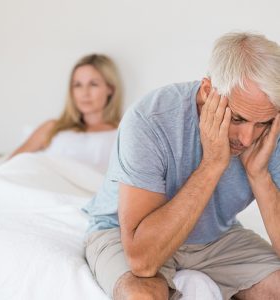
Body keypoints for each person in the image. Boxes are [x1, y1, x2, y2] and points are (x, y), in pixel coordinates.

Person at [83, 31, 280, 300]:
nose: (247, 138)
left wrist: (260, 177)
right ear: (208, 90)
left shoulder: (270, 127)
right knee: (141, 296)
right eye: (237, 118)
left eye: (262, 124)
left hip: (215, 237)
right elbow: (142, 260)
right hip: (127, 234)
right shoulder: (150, 120)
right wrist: (212, 164)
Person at [10, 54, 123, 173]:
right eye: (77, 85)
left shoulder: (122, 135)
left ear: (110, 89)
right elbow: (9, 166)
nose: (85, 93)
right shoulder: (52, 128)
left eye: (93, 84)